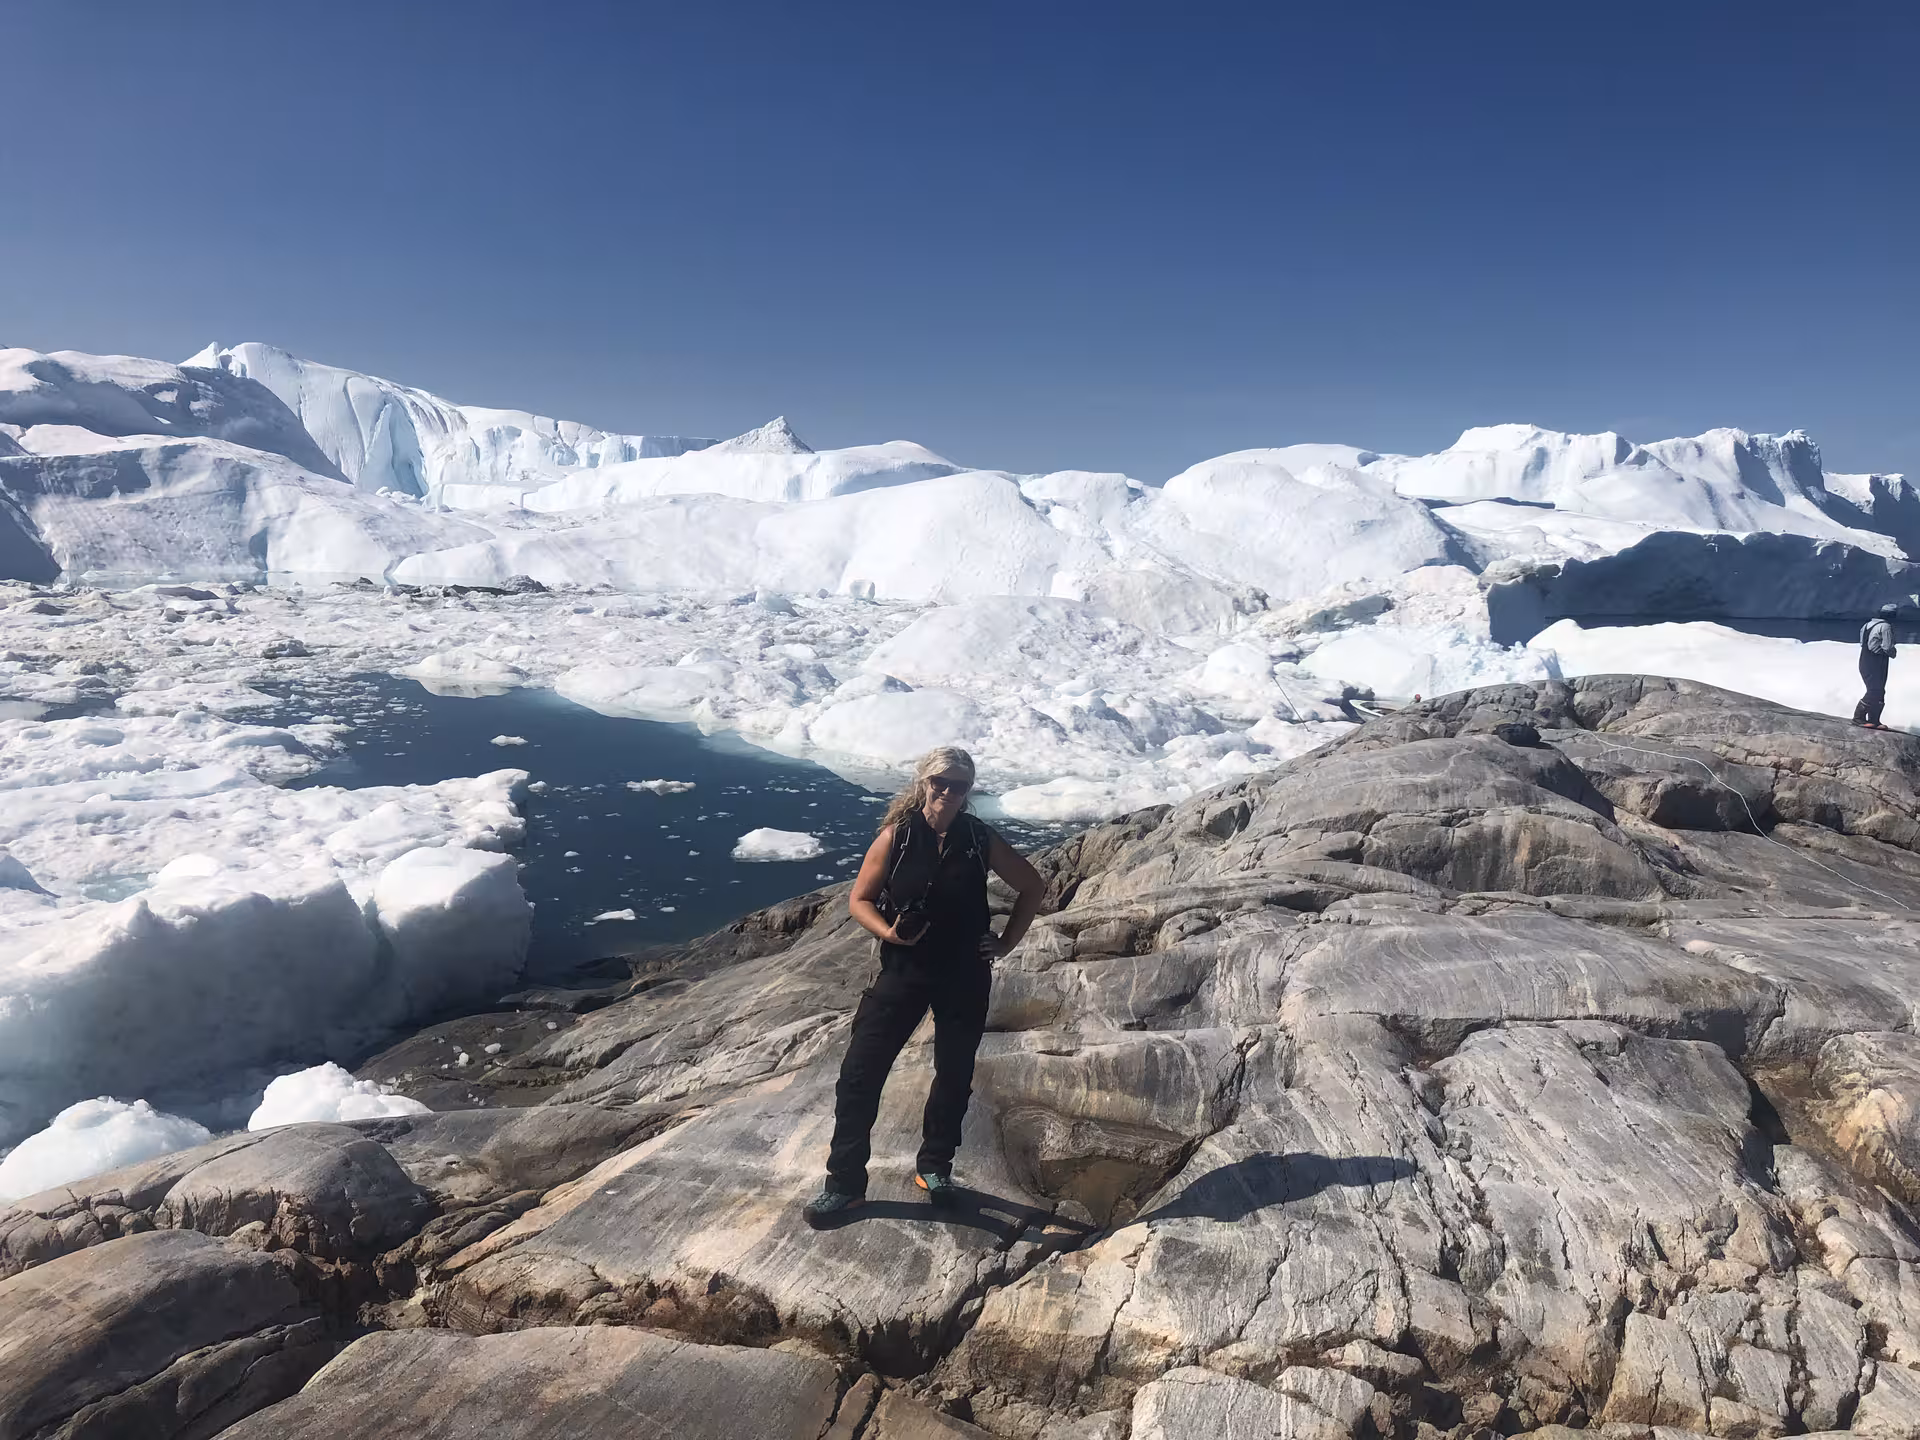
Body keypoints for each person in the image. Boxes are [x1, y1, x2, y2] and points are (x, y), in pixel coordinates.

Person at [803, 746, 1046, 1226]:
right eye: (942, 781)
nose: (950, 792)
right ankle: (845, 1185)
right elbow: (860, 899)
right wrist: (889, 932)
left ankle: (935, 1170)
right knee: (859, 1075)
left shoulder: (978, 838)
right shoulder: (896, 837)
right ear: (924, 781)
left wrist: (1006, 943)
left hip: (963, 974)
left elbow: (1032, 886)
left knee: (954, 1073)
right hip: (903, 972)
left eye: (961, 785)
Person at [1854, 602, 1900, 729]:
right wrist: (1893, 653)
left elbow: (1863, 643)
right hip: (1877, 661)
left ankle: (1873, 720)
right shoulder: (1885, 626)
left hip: (1864, 659)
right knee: (1876, 690)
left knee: (1876, 689)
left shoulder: (1867, 625)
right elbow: (1887, 646)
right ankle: (1860, 717)